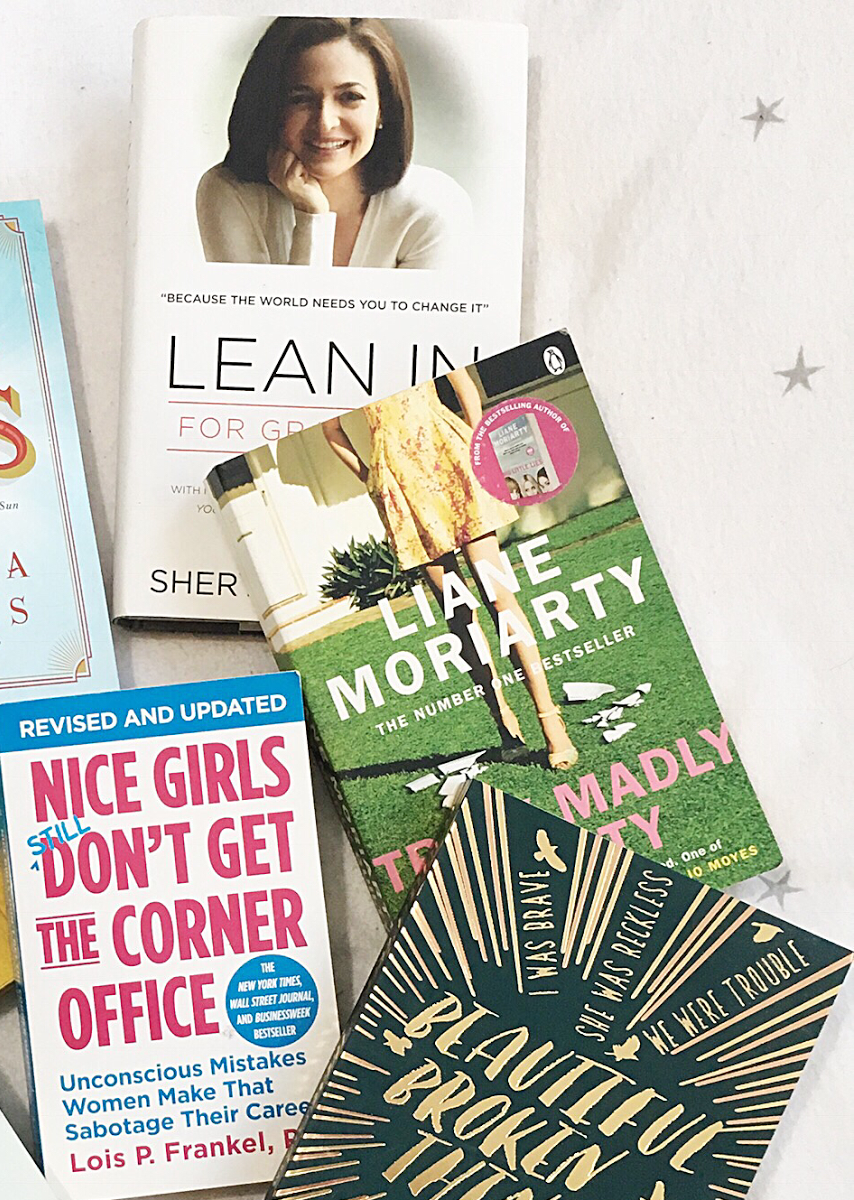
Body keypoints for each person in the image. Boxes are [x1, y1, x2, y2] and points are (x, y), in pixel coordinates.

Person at [321, 368, 578, 769]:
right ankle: (503, 720)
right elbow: (331, 429)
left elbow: (463, 383)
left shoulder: (418, 336)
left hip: (449, 457)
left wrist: (477, 437)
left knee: (500, 598)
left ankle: (549, 719)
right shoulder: (342, 366)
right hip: (399, 482)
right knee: (459, 612)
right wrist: (371, 479)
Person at [196, 17, 473, 271]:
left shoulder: (435, 207)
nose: (325, 123)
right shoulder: (229, 192)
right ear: (273, 107)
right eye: (300, 99)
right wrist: (311, 216)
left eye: (350, 97)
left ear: (383, 109)